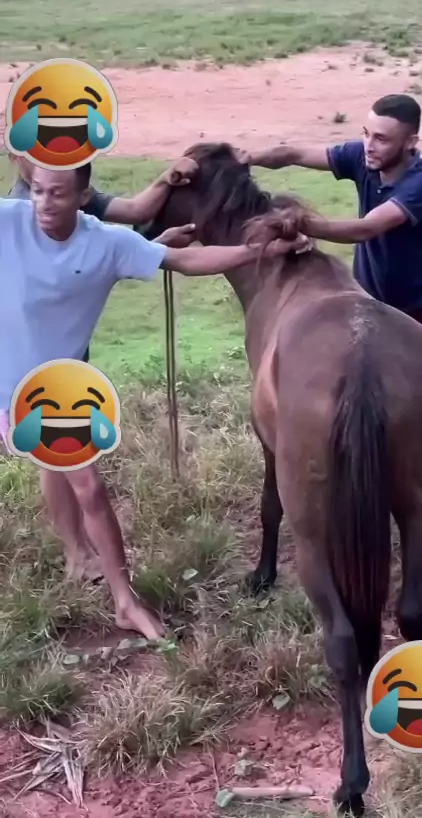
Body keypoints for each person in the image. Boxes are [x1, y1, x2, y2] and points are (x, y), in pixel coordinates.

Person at [0, 162, 308, 640]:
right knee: (61, 471)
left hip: (54, 392)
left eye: (57, 193)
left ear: (84, 197)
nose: (42, 203)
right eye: (37, 190)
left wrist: (260, 248)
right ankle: (77, 555)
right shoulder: (9, 219)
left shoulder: (108, 243)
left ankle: (124, 603)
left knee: (88, 487)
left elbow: (188, 262)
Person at [239, 94, 422, 532]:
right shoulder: (363, 159)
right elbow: (293, 153)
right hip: (373, 302)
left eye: (382, 138)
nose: (369, 145)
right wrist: (248, 157)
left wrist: (303, 223)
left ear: (411, 142)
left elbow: (367, 228)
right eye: (366, 133)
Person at [7, 152, 198, 362]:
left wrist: (166, 178)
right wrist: (154, 248)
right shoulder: (24, 212)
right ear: (16, 156)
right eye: (34, 152)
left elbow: (135, 211)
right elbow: (62, 277)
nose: (45, 156)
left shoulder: (67, 186)